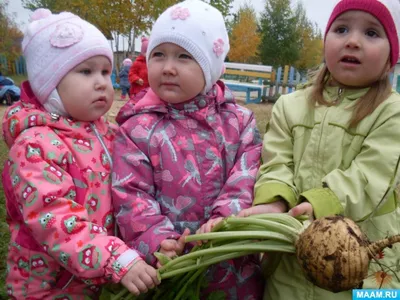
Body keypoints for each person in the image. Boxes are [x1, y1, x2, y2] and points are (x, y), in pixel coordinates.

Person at [239, 0, 400, 299]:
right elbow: (276, 162)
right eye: (341, 29)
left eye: (372, 33)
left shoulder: (392, 112)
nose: (352, 41)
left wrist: (320, 204)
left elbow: (370, 175)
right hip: (290, 259)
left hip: (366, 265)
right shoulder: (290, 106)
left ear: (392, 56)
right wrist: (276, 201)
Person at [2, 8, 159, 299]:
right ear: (48, 83)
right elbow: (54, 219)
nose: (102, 82)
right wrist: (115, 257)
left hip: (98, 279)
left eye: (106, 71)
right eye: (86, 71)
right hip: (49, 286)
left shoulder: (108, 133)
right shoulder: (35, 146)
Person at [111, 0, 264, 298]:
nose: (167, 67)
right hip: (171, 267)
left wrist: (225, 220)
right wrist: (156, 239)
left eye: (184, 56)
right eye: (158, 54)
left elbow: (245, 178)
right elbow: (131, 194)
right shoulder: (137, 128)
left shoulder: (239, 122)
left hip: (230, 260)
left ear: (212, 67)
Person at [128, 36, 149, 102]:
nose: (148, 54)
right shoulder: (137, 63)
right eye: (146, 52)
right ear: (143, 52)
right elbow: (131, 74)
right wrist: (137, 79)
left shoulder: (152, 64)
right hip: (138, 90)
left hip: (149, 91)